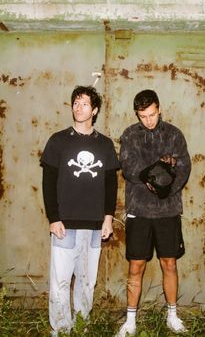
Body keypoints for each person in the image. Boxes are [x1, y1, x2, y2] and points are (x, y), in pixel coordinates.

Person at [40, 85, 119, 336]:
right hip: (65, 224)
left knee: (86, 281)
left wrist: (108, 218)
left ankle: (83, 326)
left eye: (85, 104)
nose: (78, 107)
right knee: (60, 281)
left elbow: (111, 183)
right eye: (75, 102)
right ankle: (61, 329)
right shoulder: (58, 140)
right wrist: (54, 218)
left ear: (94, 110)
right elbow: (48, 182)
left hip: (95, 224)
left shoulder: (105, 144)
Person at [116, 89, 191, 336]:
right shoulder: (129, 135)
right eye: (142, 116)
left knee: (169, 263)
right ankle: (130, 322)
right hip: (139, 210)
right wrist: (156, 174)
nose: (148, 120)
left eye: (151, 114)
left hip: (168, 210)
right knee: (136, 266)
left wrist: (166, 188)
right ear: (137, 115)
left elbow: (184, 166)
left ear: (159, 109)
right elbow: (128, 167)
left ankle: (172, 315)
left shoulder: (174, 134)